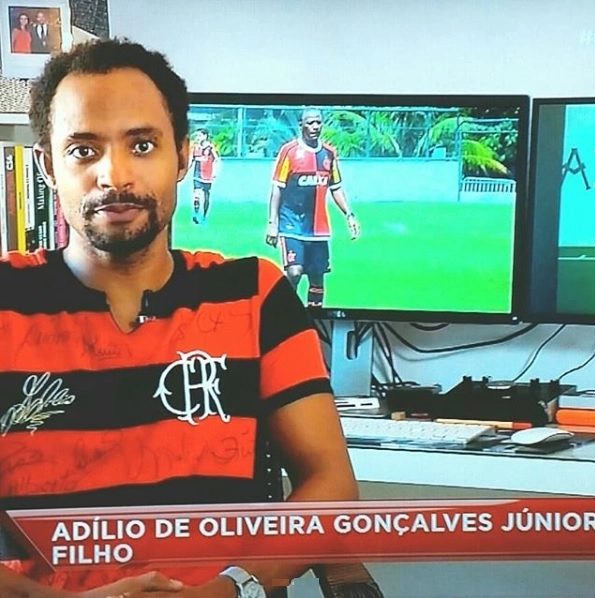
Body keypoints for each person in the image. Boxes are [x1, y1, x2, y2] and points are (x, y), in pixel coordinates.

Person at [0, 38, 357, 598]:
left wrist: (232, 585)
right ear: (47, 165)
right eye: (83, 150)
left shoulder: (254, 294)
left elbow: (330, 483)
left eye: (142, 145)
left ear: (184, 156)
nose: (114, 175)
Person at [265, 108, 360, 307]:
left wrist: (349, 215)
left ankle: (314, 318)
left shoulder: (329, 153)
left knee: (317, 277)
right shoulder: (289, 152)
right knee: (295, 271)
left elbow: (336, 187)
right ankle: (282, 312)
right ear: (301, 125)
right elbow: (277, 189)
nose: (315, 127)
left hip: (319, 227)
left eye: (318, 122)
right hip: (291, 223)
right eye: (310, 123)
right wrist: (272, 223)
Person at [190, 128, 220, 223]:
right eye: (197, 136)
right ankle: (196, 215)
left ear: (205, 136)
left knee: (206, 196)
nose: (198, 138)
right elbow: (192, 160)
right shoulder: (196, 147)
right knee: (196, 195)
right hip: (197, 174)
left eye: (200, 135)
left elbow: (217, 159)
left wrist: (215, 172)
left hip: (207, 175)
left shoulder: (210, 147)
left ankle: (204, 216)